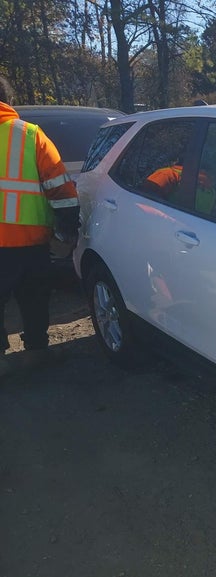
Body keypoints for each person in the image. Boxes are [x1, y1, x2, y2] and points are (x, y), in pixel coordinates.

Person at [0, 76, 80, 378]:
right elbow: (59, 187)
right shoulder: (29, 135)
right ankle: (36, 353)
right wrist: (68, 227)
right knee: (34, 299)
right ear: (9, 102)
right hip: (29, 241)